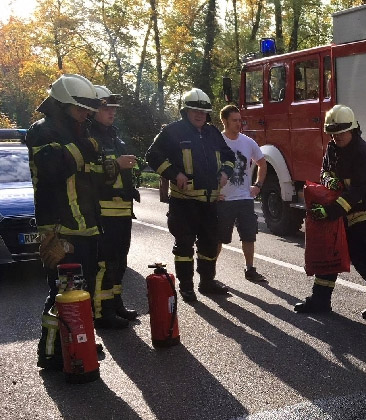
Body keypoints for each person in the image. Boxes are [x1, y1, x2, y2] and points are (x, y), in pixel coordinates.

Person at [27, 74, 103, 369]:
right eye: (80, 108)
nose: (86, 114)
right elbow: (53, 169)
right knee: (61, 292)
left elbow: (87, 172)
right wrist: (85, 149)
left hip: (85, 224)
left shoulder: (76, 130)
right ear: (63, 105)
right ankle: (49, 353)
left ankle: (77, 342)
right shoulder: (42, 132)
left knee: (84, 290)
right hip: (60, 227)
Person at [294, 104, 366, 320]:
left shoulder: (364, 154)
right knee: (330, 250)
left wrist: (330, 212)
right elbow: (324, 171)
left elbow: (357, 192)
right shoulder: (333, 148)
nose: (337, 138)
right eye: (333, 134)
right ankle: (320, 300)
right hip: (343, 208)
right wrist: (329, 180)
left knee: (362, 255)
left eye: (341, 133)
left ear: (352, 129)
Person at [145, 88, 235, 302]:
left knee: (209, 244)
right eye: (194, 110)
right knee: (184, 246)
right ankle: (186, 287)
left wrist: (225, 172)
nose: (199, 115)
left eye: (203, 112)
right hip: (184, 203)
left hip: (209, 201)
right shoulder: (172, 132)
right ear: (185, 111)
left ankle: (207, 282)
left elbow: (229, 155)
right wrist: (174, 174)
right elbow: (152, 155)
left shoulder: (213, 132)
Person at [88, 85, 140, 329]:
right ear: (93, 109)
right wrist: (117, 165)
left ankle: (116, 303)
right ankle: (101, 312)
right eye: (106, 108)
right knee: (104, 263)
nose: (112, 113)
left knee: (120, 261)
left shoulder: (113, 136)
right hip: (103, 213)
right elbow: (89, 176)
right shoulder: (89, 138)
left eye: (114, 109)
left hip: (121, 212)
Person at [216, 104, 269, 283]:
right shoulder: (217, 142)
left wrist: (258, 185)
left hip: (245, 197)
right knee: (219, 238)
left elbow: (262, 163)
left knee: (249, 235)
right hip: (223, 199)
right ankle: (210, 273)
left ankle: (250, 269)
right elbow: (206, 167)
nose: (239, 124)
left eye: (240, 120)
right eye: (234, 120)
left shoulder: (248, 142)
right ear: (224, 121)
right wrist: (213, 192)